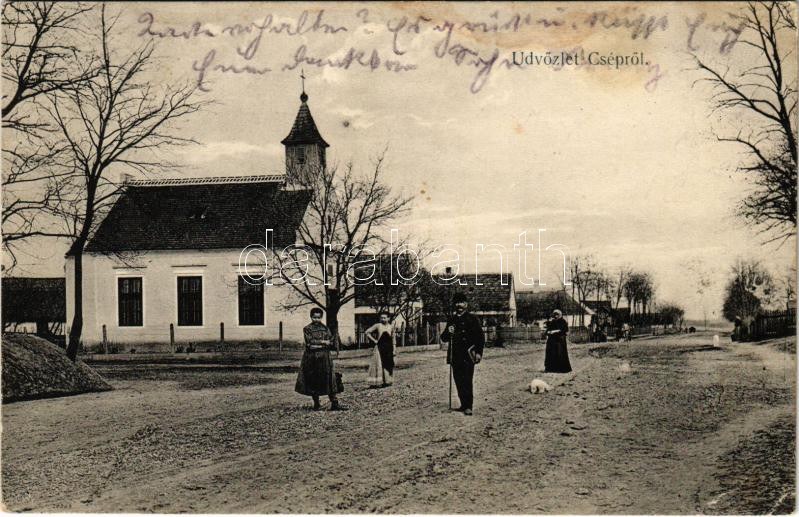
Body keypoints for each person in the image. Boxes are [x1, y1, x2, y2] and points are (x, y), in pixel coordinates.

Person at [441, 292, 485, 416]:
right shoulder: (452, 320)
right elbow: (444, 338)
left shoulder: (472, 319)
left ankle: (468, 406)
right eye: (457, 303)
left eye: (461, 302)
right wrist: (448, 332)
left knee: (467, 380)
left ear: (466, 304)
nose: (459, 305)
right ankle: (463, 404)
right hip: (455, 356)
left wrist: (479, 353)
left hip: (468, 355)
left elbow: (480, 338)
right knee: (458, 380)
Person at [295, 308, 344, 410]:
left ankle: (334, 402)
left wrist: (320, 344)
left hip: (325, 357)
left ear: (321, 317)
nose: (316, 319)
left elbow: (330, 341)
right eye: (314, 317)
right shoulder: (307, 328)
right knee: (313, 378)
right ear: (311, 317)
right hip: (311, 358)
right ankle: (316, 403)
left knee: (329, 378)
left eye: (318, 317)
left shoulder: (325, 328)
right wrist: (323, 342)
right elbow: (309, 343)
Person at [365, 312, 396, 387]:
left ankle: (387, 381)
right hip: (379, 347)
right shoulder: (378, 325)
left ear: (388, 318)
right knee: (379, 364)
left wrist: (394, 349)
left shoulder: (391, 327)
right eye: (381, 318)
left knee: (388, 363)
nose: (383, 319)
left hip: (388, 348)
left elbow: (393, 338)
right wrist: (374, 340)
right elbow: (367, 332)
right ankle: (377, 382)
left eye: (384, 318)